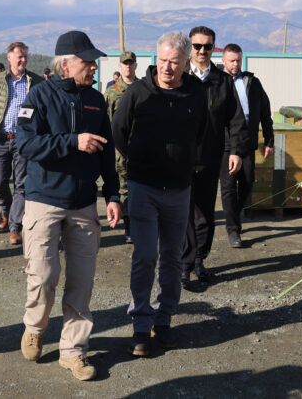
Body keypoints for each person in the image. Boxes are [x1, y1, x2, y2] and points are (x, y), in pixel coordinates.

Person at [16, 30, 120, 381]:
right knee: (44, 276)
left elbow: (107, 151)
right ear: (66, 64)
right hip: (44, 201)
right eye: (87, 61)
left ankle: (73, 351)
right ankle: (35, 326)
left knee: (81, 282)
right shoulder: (38, 96)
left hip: (83, 205)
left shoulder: (95, 100)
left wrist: (114, 195)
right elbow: (27, 146)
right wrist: (72, 142)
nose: (93, 67)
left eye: (94, 61)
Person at [112, 31, 207, 357]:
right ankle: (140, 326)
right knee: (144, 257)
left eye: (175, 63)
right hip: (143, 188)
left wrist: (185, 162)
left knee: (172, 258)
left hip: (179, 190)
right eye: (164, 61)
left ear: (185, 63)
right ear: (157, 58)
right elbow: (119, 133)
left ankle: (163, 321)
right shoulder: (138, 93)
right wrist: (142, 162)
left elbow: (202, 133)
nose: (168, 68)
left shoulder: (196, 93)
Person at [181, 26, 247, 286]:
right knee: (184, 212)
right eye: (197, 46)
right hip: (183, 158)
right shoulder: (181, 77)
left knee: (205, 211)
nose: (201, 51)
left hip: (211, 156)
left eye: (207, 46)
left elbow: (235, 119)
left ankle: (199, 259)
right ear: (190, 47)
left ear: (213, 48)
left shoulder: (222, 81)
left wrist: (236, 151)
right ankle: (184, 264)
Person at [219, 44, 274, 248]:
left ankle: (235, 213)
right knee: (228, 188)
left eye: (238, 60)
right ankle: (233, 230)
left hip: (247, 143)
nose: (235, 64)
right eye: (231, 60)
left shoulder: (252, 82)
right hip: (224, 145)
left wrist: (269, 139)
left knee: (248, 182)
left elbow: (265, 112)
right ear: (224, 61)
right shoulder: (217, 83)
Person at [0, 42, 43, 245]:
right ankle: (5, 210)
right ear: (9, 57)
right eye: (20, 56)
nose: (23, 60)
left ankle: (15, 227)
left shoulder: (35, 82)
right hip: (1, 139)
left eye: (26, 57)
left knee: (21, 185)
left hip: (23, 141)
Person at [104, 51, 138, 243]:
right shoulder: (112, 92)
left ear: (135, 66)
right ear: (120, 66)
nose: (128, 66)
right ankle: (129, 227)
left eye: (130, 63)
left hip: (142, 147)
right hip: (120, 149)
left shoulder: (144, 88)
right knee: (124, 188)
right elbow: (106, 123)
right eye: (124, 64)